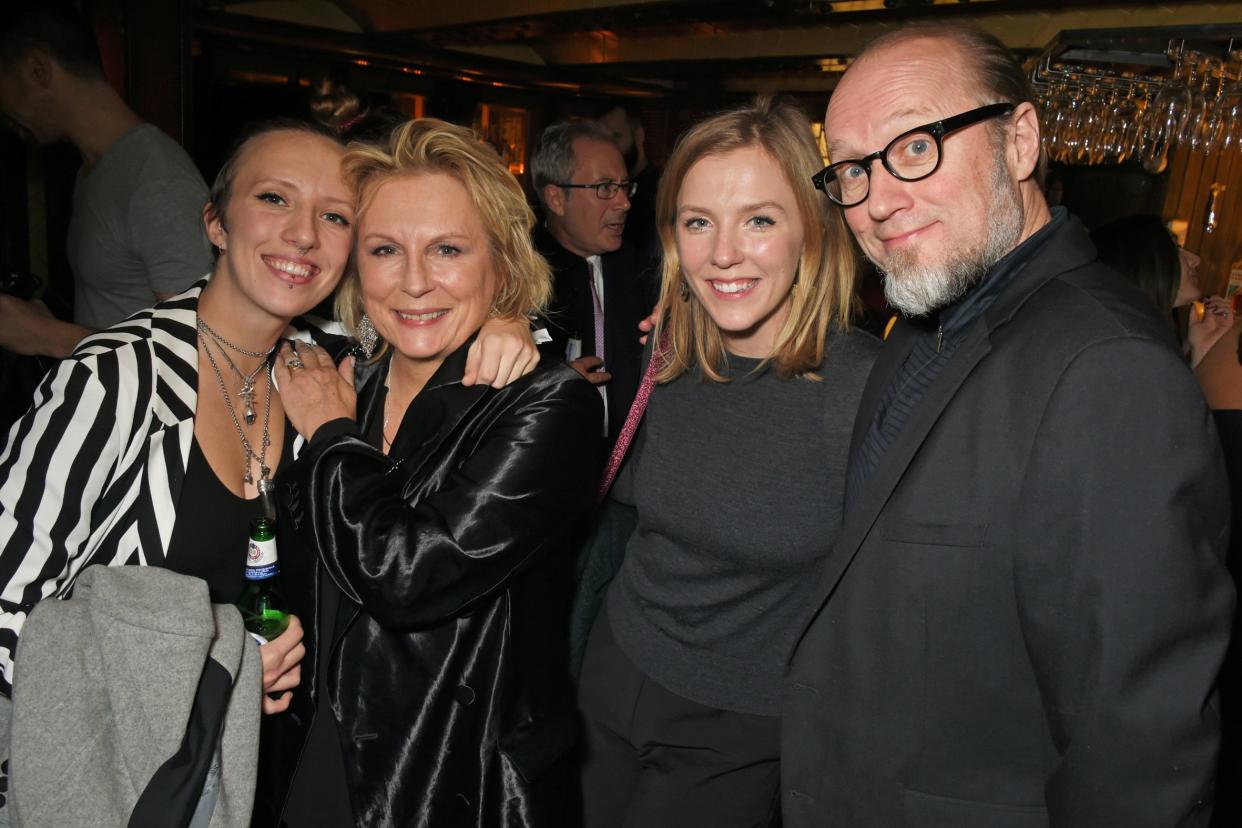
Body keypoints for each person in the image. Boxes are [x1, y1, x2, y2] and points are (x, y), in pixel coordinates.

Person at [0, 117, 536, 812]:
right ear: (215, 223)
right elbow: (9, 608)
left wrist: (509, 317)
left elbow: (439, 305)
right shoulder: (117, 378)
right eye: (274, 200)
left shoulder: (323, 361)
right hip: (116, 781)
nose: (304, 234)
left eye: (334, 216)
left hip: (250, 777)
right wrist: (220, 666)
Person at [782, 23, 1233, 826]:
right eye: (852, 168)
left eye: (916, 146)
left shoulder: (1106, 370)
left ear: (1019, 142)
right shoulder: (927, 324)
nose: (878, 199)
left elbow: (1139, 748)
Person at [258, 118, 602, 827]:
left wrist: (330, 433)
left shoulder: (549, 404)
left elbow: (407, 575)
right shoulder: (350, 373)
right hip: (314, 750)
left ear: (500, 262)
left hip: (448, 777)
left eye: (447, 249)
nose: (414, 282)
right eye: (385, 250)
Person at [576, 96, 879, 827]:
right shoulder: (672, 350)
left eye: (760, 220)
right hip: (613, 671)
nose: (722, 254)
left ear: (812, 228)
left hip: (738, 726)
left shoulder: (868, 391)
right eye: (698, 221)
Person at [0, 3, 211, 359]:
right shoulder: (94, 168)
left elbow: (196, 350)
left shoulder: (157, 179)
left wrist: (46, 335)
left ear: (37, 68)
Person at [532, 120, 657, 446]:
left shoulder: (646, 270)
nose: (624, 203)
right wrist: (548, 385)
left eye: (624, 187)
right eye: (604, 188)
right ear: (556, 199)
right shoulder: (515, 276)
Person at [1090, 213, 1234, 366]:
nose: (1195, 259)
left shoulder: (1143, 337)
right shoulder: (1127, 346)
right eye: (1177, 249)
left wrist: (1201, 348)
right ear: (1144, 264)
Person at [596, 100, 662, 268]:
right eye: (603, 139)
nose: (609, 146)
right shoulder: (597, 192)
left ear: (639, 136)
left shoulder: (661, 192)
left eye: (616, 136)